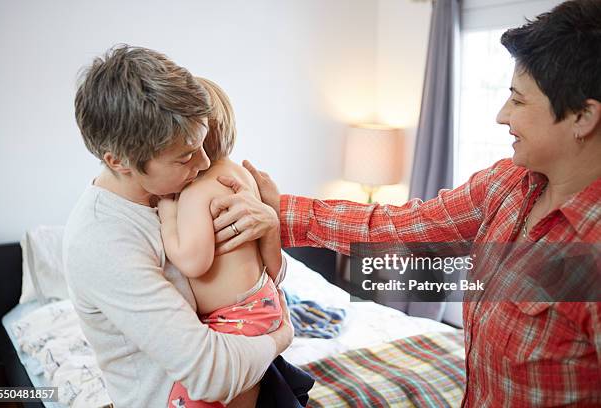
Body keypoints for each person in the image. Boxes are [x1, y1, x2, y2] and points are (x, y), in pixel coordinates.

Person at [210, 1, 601, 406]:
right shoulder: (508, 183)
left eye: (519, 101)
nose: (503, 116)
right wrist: (280, 211)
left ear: (582, 118)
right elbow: (400, 226)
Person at [63, 45, 294, 408]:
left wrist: (268, 225)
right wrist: (281, 337)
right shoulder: (101, 241)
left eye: (202, 144)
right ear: (119, 161)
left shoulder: (181, 189)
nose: (204, 162)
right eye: (186, 155)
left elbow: (263, 281)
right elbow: (210, 376)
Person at [157, 78, 309, 407]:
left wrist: (168, 215)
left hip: (235, 320)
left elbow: (193, 261)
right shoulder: (243, 176)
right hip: (265, 305)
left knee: (193, 397)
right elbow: (273, 266)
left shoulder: (196, 191)